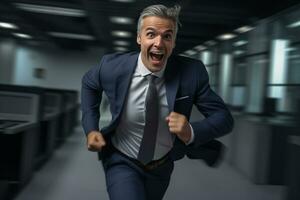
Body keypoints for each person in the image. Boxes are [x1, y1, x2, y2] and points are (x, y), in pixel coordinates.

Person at [81, 4, 234, 200]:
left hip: (161, 167)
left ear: (173, 42)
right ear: (139, 38)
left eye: (167, 36)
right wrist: (91, 128)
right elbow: (89, 84)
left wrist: (191, 131)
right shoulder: (112, 67)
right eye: (151, 34)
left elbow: (224, 118)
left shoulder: (191, 73)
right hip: (121, 159)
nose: (159, 43)